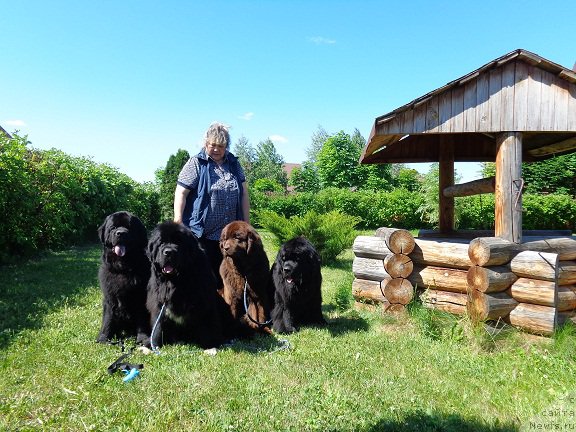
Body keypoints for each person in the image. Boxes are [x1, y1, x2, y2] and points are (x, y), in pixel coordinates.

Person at [174, 122, 250, 288]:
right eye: (212, 145)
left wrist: (246, 222)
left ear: (226, 146)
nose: (216, 149)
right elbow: (181, 192)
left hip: (229, 235)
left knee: (229, 278)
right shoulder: (196, 163)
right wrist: (178, 219)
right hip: (203, 233)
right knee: (203, 279)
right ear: (205, 143)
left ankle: (228, 311)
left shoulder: (234, 164)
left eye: (220, 146)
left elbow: (244, 194)